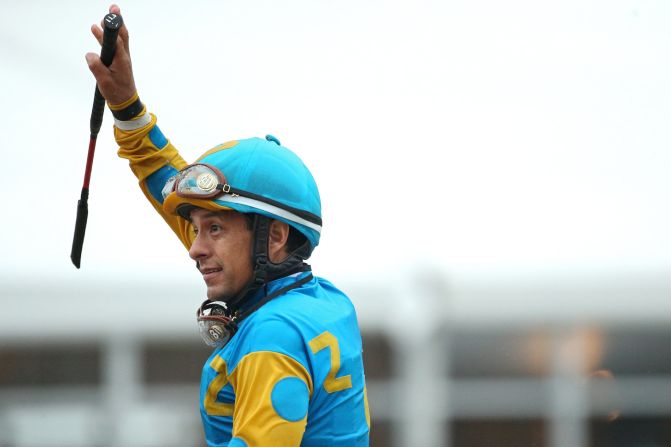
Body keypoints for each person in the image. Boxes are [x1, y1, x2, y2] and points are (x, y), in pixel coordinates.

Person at [86, 5, 370, 447]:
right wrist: (126, 105)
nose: (194, 248)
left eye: (213, 229)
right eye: (197, 229)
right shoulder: (318, 299)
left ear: (274, 236)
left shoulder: (272, 335)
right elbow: (170, 185)